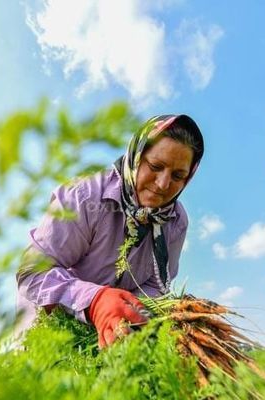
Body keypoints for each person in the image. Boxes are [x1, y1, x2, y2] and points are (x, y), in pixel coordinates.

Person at [16, 114, 204, 348]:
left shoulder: (175, 222)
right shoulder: (85, 196)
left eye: (178, 176)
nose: (163, 184)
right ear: (137, 157)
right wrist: (94, 300)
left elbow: (157, 286)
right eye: (155, 167)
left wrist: (133, 313)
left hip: (112, 336)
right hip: (48, 325)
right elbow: (32, 272)